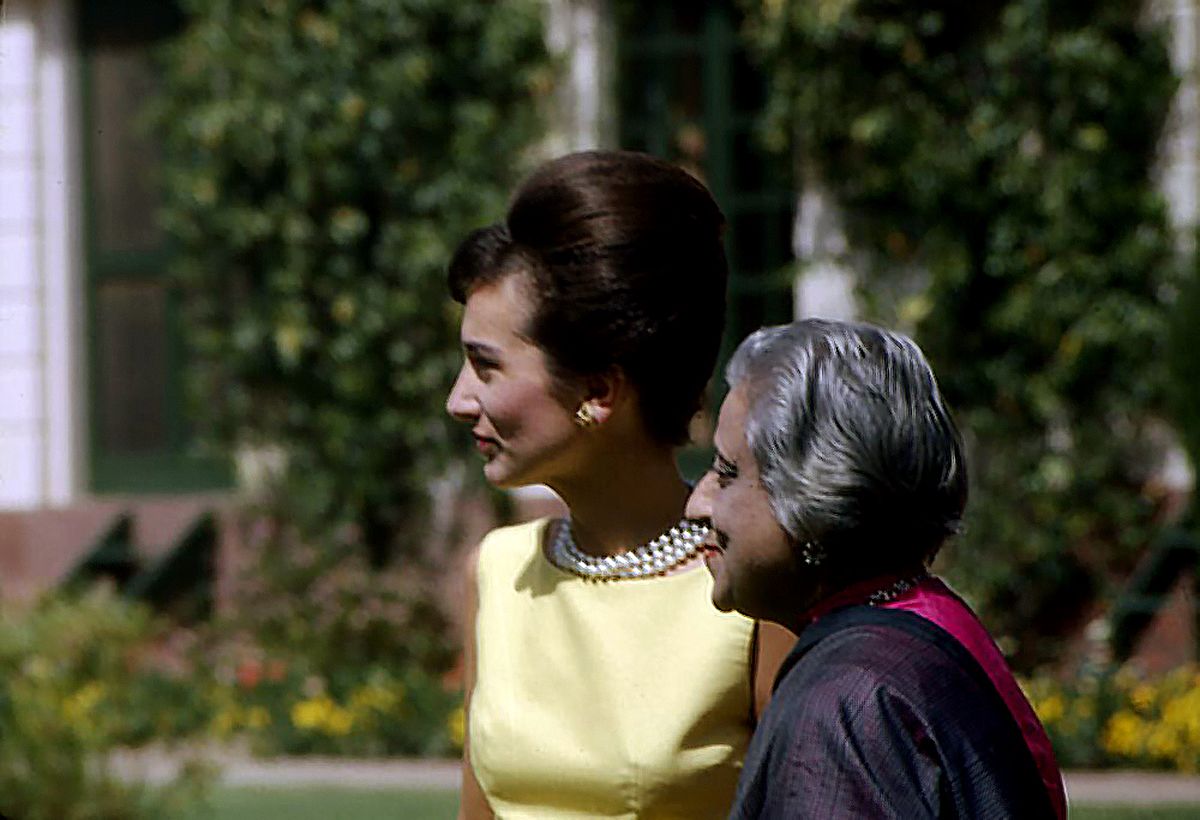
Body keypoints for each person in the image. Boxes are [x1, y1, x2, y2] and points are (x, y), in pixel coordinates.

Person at [445, 150, 793, 819]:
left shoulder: (751, 594)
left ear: (598, 392)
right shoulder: (495, 573)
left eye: (485, 368)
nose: (459, 400)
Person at [686, 319, 1067, 819]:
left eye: (728, 472)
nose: (698, 503)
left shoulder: (848, 698)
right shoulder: (921, 622)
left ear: (814, 489)